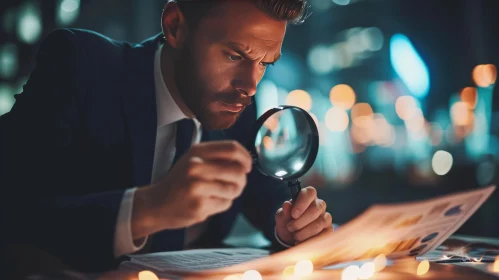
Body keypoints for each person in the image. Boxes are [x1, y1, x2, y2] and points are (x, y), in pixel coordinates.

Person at [0, 0, 333, 272]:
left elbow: (269, 199)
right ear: (175, 25)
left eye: (265, 64)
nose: (250, 86)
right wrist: (148, 208)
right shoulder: (81, 65)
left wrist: (293, 227)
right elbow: (12, 208)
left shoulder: (240, 105)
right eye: (234, 56)